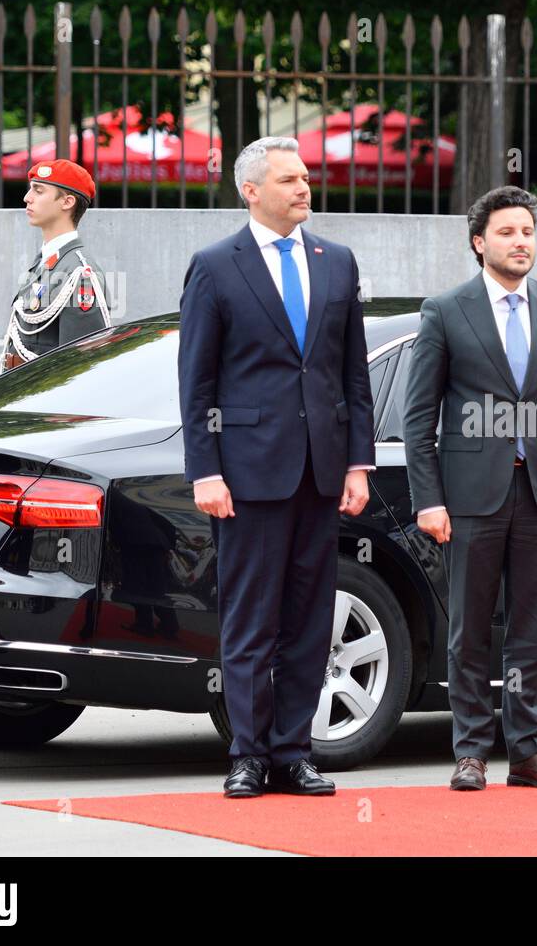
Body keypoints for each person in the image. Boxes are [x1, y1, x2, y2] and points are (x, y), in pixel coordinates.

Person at [177, 136, 375, 799]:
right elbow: (196, 383)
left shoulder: (337, 262)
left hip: (321, 473)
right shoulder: (215, 266)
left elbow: (352, 375)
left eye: (306, 176)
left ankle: (294, 753)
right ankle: (248, 755)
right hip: (248, 476)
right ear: (251, 190)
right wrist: (205, 470)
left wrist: (358, 464)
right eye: (289, 178)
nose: (304, 187)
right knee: (250, 622)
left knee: (310, 620)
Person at [402, 186, 537, 791]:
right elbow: (419, 417)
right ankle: (470, 749)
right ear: (479, 242)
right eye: (509, 232)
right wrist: (428, 499)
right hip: (469, 496)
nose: (522, 242)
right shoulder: (446, 309)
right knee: (468, 627)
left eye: (529, 232)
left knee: (530, 628)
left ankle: (526, 749)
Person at [2, 159, 113, 370]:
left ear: (67, 202)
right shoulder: (45, 263)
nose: (27, 198)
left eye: (39, 190)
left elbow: (80, 366)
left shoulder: (79, 274)